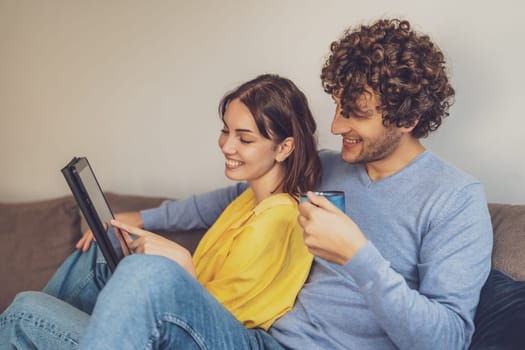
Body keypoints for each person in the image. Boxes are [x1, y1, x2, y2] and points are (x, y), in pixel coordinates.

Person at [1, 18, 493, 350]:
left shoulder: (453, 200)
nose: (338, 125)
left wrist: (359, 256)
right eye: (340, 106)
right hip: (253, 338)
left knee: (146, 275)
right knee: (98, 257)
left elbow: (448, 338)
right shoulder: (328, 166)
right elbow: (232, 197)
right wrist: (138, 219)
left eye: (356, 114)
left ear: (406, 118)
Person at [0, 74, 322, 348]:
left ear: (284, 147)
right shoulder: (248, 198)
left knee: (23, 313)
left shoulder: (280, 219)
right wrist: (133, 225)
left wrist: (181, 265)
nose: (227, 146)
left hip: (223, 338)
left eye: (245, 138)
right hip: (193, 322)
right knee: (102, 249)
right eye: (226, 130)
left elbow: (216, 318)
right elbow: (196, 209)